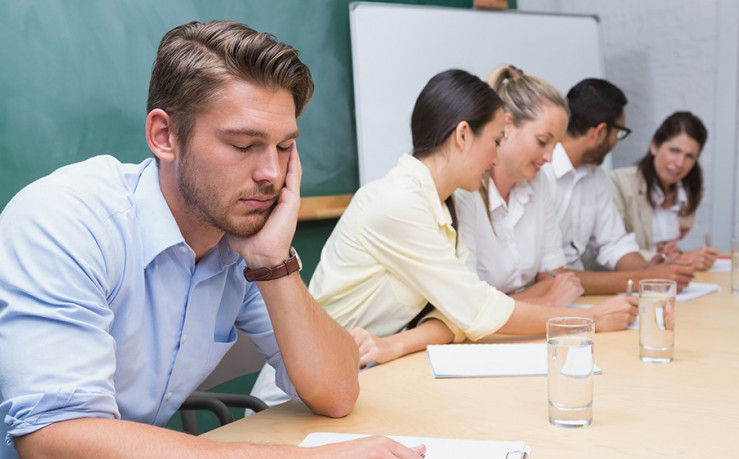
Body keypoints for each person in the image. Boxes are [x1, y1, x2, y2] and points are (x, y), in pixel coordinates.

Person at [0, 21, 427, 459]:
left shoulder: (236, 238)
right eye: (243, 145)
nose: (272, 175)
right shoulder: (65, 221)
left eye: (284, 147)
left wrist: (274, 264)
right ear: (165, 136)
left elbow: (337, 392)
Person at [249, 69, 636, 407]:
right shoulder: (399, 202)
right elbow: (477, 310)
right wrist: (588, 321)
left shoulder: (442, 202)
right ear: (464, 135)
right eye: (497, 141)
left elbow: (456, 314)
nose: (496, 156)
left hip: (360, 378)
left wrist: (399, 344)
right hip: (293, 397)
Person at [536, 78, 696, 294]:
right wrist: (643, 278)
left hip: (576, 299)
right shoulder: (539, 172)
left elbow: (614, 244)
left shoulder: (595, 176)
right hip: (549, 299)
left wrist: (654, 271)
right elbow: (550, 276)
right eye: (618, 132)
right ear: (600, 132)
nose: (615, 142)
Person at [454, 65, 582, 307]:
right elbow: (469, 307)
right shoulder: (465, 190)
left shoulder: (539, 181)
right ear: (507, 125)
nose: (549, 158)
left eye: (555, 147)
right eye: (542, 141)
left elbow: (557, 278)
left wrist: (517, 300)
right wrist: (546, 299)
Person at [608, 111, 717, 270]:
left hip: (665, 278)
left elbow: (664, 247)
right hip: (631, 279)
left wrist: (673, 252)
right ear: (654, 147)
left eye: (690, 156)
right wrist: (673, 259)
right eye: (674, 151)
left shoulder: (688, 191)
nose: (680, 163)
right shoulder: (619, 182)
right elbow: (613, 248)